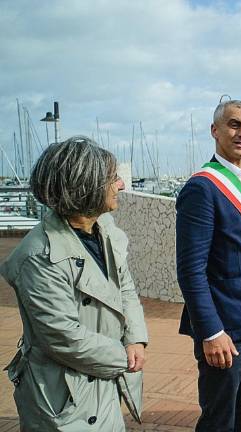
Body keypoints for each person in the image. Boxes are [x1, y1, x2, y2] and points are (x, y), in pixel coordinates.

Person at [1, 136, 148, 430]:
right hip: (63, 396)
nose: (121, 185)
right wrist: (123, 357)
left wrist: (136, 338)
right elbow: (62, 337)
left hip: (104, 377)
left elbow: (126, 289)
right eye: (113, 179)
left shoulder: (104, 227)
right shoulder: (39, 256)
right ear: (86, 186)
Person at [176, 99, 241, 432]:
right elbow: (190, 270)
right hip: (225, 326)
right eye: (234, 125)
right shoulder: (202, 188)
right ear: (215, 131)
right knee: (220, 417)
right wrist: (211, 332)